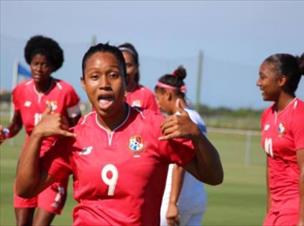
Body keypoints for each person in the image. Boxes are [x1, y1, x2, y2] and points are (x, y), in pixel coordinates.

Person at [15, 43, 223, 226]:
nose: (104, 83)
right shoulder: (74, 138)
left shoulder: (154, 127)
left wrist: (197, 136)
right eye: (94, 77)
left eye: (113, 75)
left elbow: (214, 177)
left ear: (125, 80)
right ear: (84, 83)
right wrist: (36, 136)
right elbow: (25, 189)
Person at [0, 35, 81, 226]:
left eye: (44, 64)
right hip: (28, 161)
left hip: (54, 165)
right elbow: (17, 124)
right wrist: (4, 133)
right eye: (35, 63)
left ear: (53, 66)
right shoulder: (20, 91)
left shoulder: (66, 91)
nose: (38, 68)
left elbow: (78, 127)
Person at [256, 52, 304, 226]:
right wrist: (270, 211)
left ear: (281, 80)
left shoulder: (302, 116)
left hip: (300, 205)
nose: (258, 83)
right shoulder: (268, 115)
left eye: (263, 77)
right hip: (278, 207)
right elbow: (271, 165)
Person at [155, 66, 207, 226]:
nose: (157, 103)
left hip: (178, 200)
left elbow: (180, 164)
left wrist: (172, 203)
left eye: (158, 98)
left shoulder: (179, 120)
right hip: (197, 199)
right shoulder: (197, 117)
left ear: (168, 95)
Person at [118, 42, 159, 112]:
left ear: (136, 67)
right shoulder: (107, 95)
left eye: (128, 65)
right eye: (120, 65)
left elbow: (155, 121)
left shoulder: (146, 96)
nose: (124, 70)